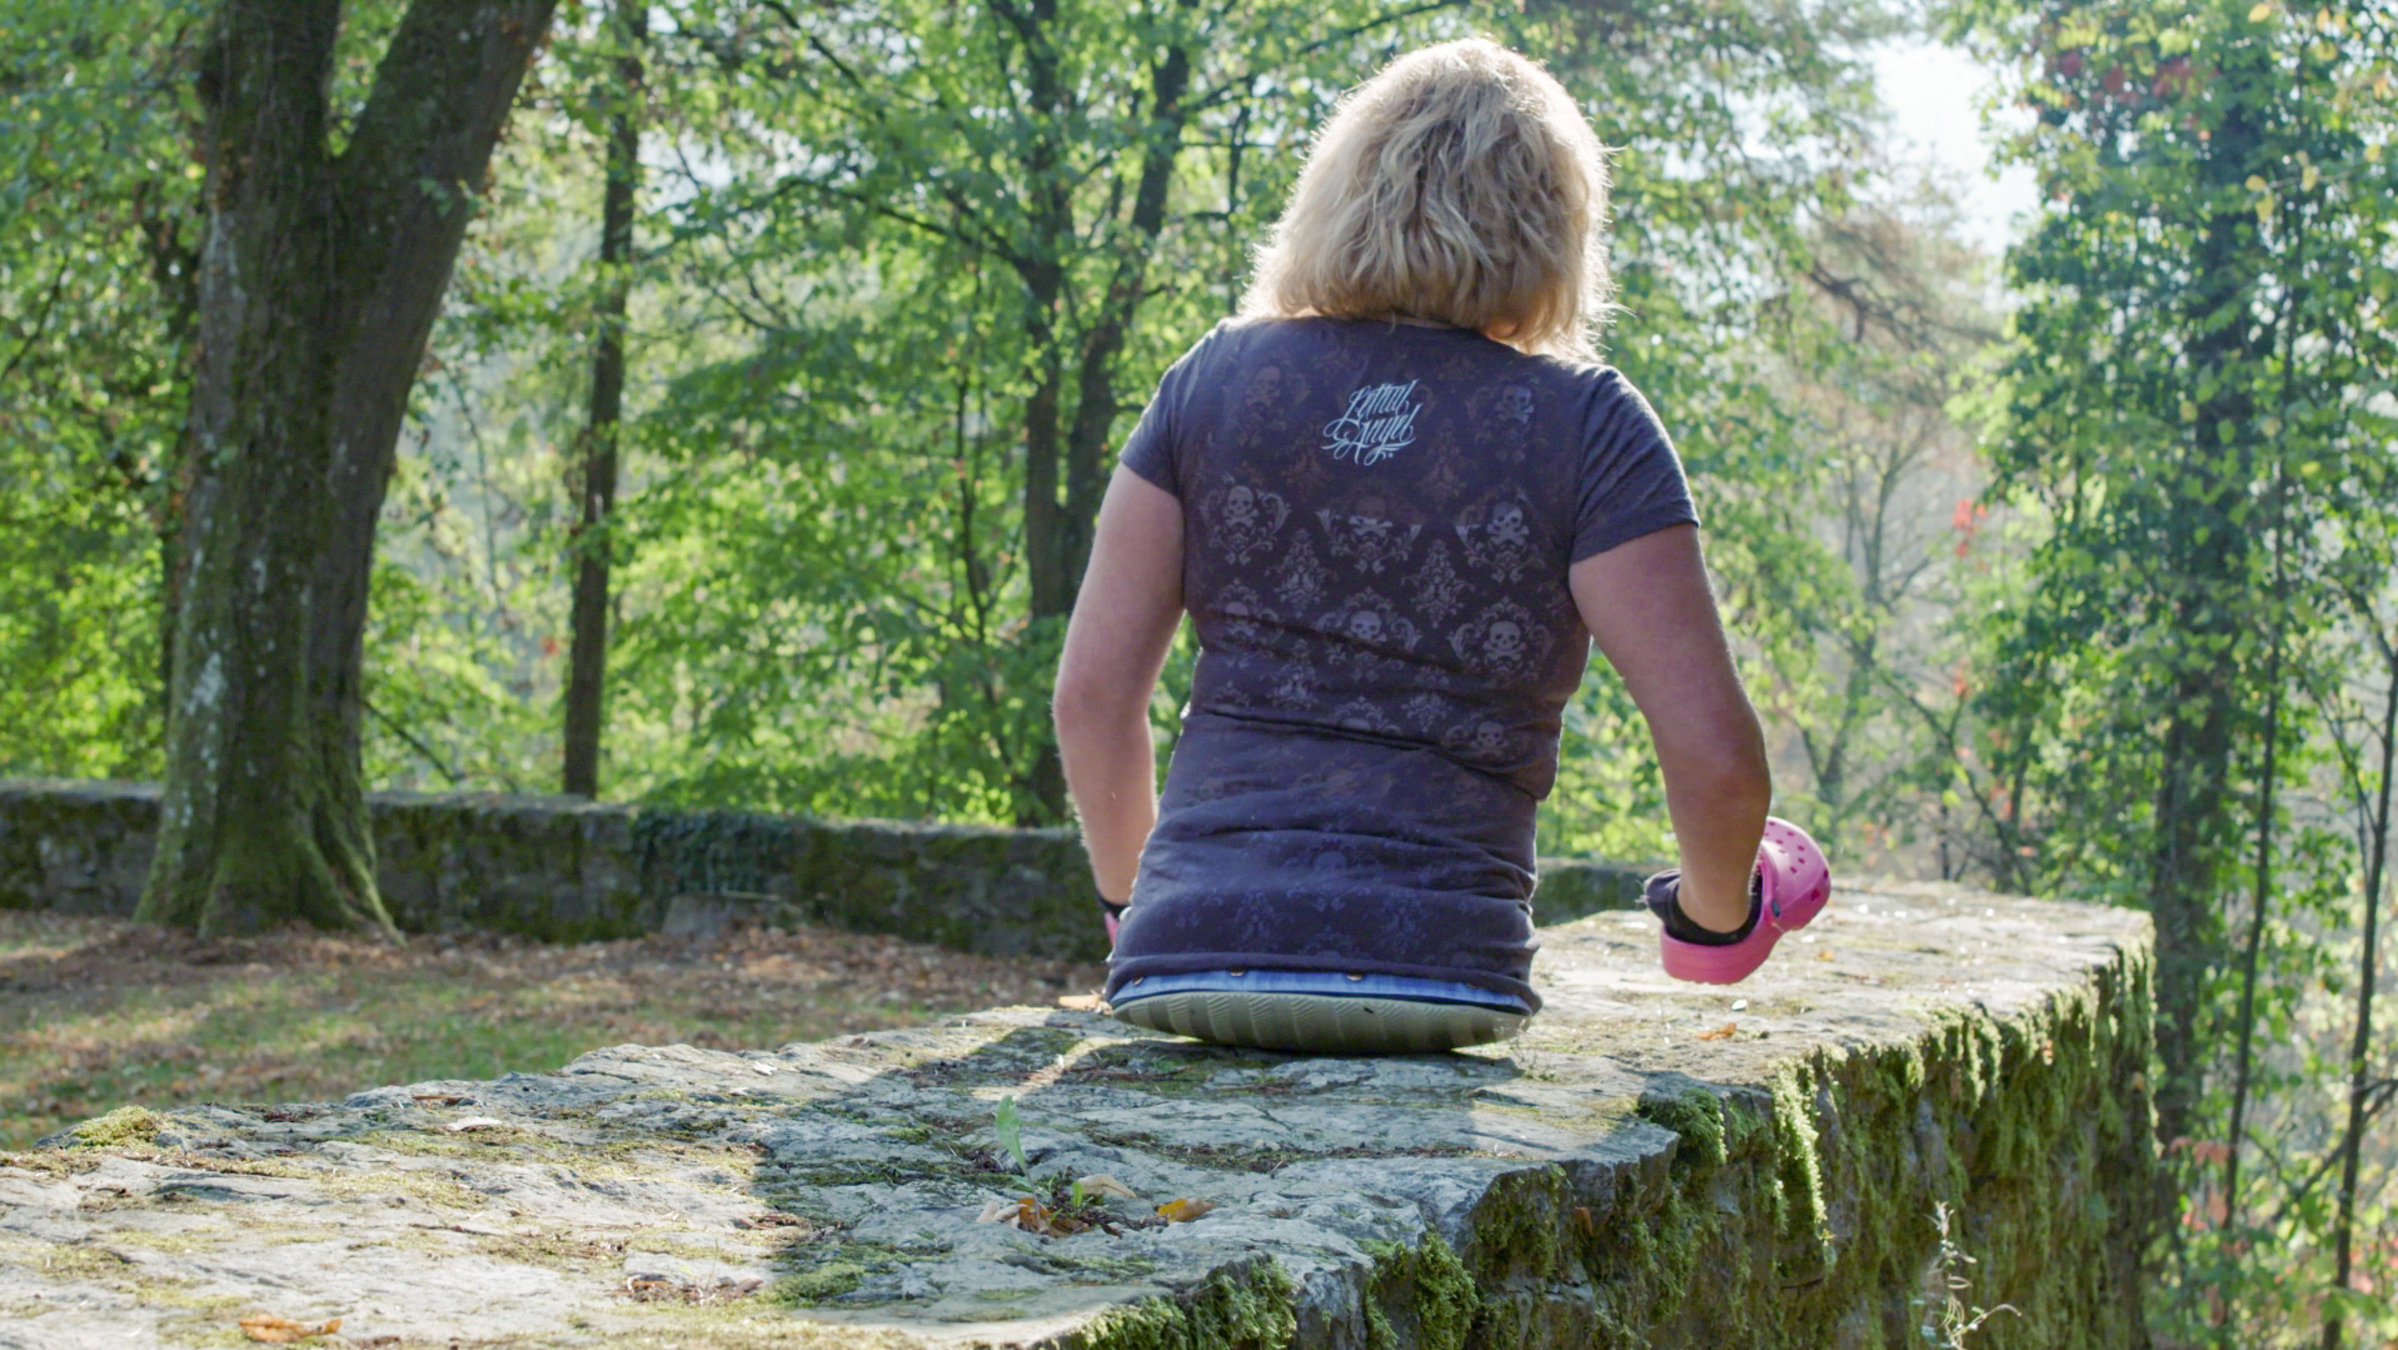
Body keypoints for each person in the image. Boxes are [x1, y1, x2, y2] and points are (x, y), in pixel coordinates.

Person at [1052, 38, 1827, 1056]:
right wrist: (1716, 918)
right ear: (1555, 232)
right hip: (1446, 975)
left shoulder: (1212, 384)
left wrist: (1136, 906)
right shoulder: (1588, 426)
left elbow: (1092, 699)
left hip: (1185, 962)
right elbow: (1718, 761)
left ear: (1335, 193)